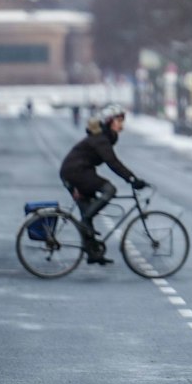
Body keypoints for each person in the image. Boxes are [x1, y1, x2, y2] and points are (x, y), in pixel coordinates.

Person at [59, 103, 146, 265]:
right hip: (77, 172)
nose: (121, 124)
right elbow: (112, 162)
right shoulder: (101, 139)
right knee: (109, 189)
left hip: (75, 171)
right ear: (109, 121)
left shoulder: (103, 137)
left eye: (122, 120)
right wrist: (132, 179)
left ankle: (93, 253)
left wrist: (130, 178)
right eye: (118, 120)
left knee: (88, 209)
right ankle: (86, 221)